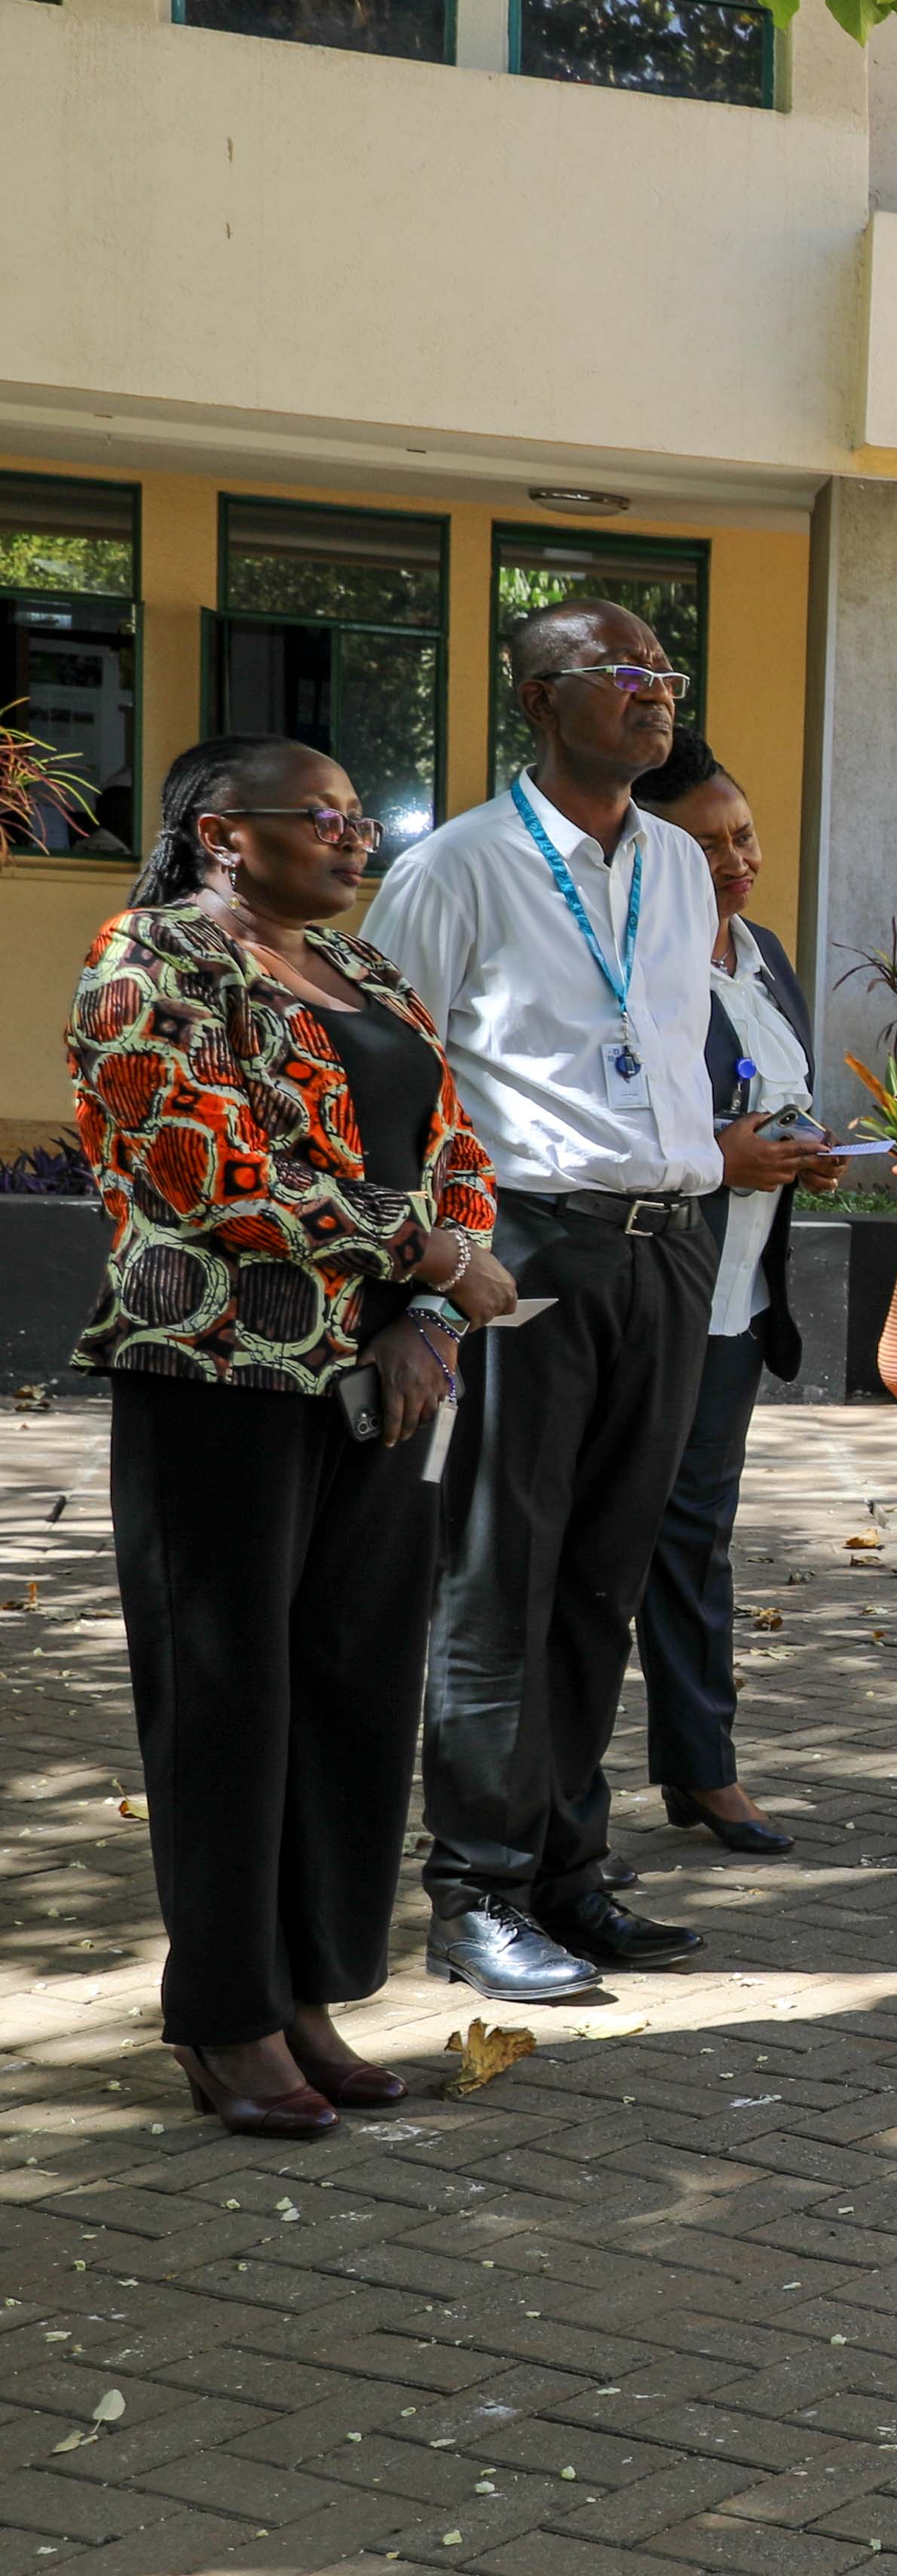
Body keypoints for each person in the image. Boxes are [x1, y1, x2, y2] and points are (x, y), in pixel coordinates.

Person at [75, 737, 516, 2131]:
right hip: (218, 1375)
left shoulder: (370, 976)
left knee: (349, 1692)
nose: (356, 842)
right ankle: (222, 2013)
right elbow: (209, 1171)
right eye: (322, 819)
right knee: (226, 1703)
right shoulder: (150, 961)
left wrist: (427, 1319)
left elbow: (457, 1150)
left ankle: (305, 1985)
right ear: (222, 832)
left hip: (380, 1382)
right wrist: (437, 1260)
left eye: (360, 819)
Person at [366, 601, 732, 1999]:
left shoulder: (683, 865)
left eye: (664, 675)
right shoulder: (461, 867)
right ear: (538, 699)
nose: (653, 696)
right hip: (521, 1247)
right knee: (497, 1578)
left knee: (604, 1574)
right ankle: (474, 1888)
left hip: (668, 1245)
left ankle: (570, 1873)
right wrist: (432, 1283)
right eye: (621, 674)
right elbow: (392, 1087)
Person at [629, 733, 838, 1859]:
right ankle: (556, 1800)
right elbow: (623, 1131)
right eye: (707, 844)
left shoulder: (763, 954)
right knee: (614, 1541)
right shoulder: (640, 966)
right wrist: (727, 1154)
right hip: (648, 1290)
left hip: (738, 1304)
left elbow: (769, 1105)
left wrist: (803, 1153)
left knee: (695, 1538)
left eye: (745, 834)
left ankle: (699, 1766)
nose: (736, 858)